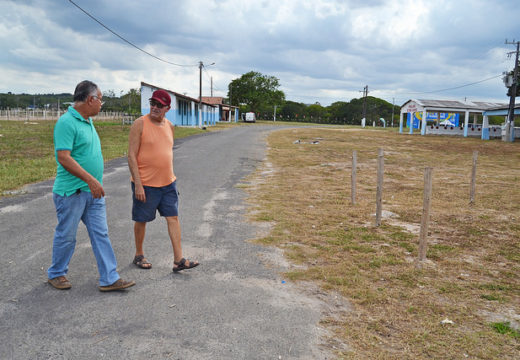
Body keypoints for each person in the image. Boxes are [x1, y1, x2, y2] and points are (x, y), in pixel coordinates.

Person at [47, 80, 135, 292]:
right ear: (90, 99)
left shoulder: (87, 120)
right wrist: (90, 179)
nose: (101, 104)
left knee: (100, 234)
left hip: (92, 193)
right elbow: (64, 158)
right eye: (100, 100)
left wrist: (93, 182)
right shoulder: (67, 122)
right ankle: (56, 273)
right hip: (71, 193)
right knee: (67, 235)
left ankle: (109, 278)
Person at [128, 89, 199, 272]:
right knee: (142, 219)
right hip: (146, 184)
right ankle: (139, 254)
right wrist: (138, 184)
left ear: (167, 108)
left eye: (159, 105)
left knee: (173, 218)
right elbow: (131, 156)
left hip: (168, 183)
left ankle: (178, 260)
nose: (155, 107)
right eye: (152, 103)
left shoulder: (169, 126)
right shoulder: (139, 124)